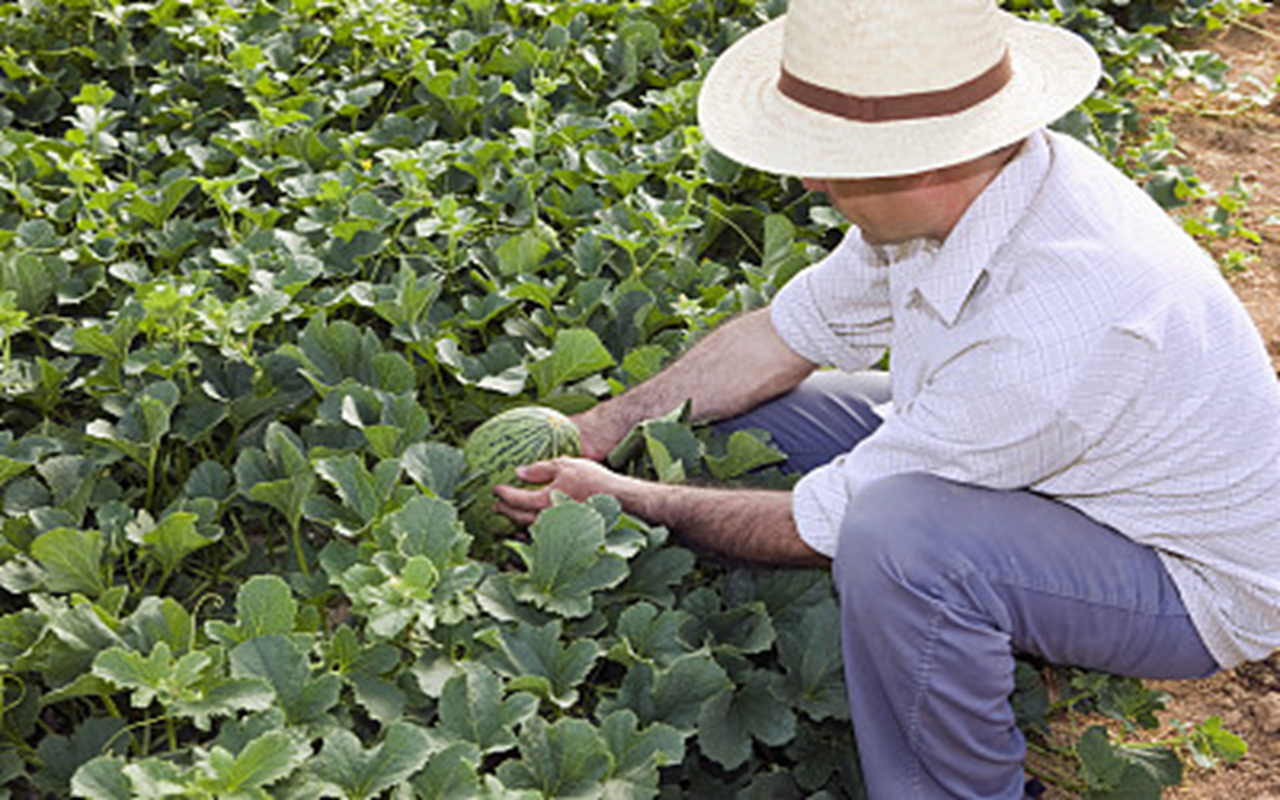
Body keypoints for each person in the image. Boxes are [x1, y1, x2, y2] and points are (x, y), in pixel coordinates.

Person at [493, 0, 1280, 797]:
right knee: (770, 420)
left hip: (1183, 578)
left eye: (830, 155)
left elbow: (822, 525)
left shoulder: (1058, 324)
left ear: (926, 159)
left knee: (899, 542)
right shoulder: (961, 199)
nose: (807, 177)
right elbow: (783, 335)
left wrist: (634, 501)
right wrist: (604, 427)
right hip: (1058, 461)